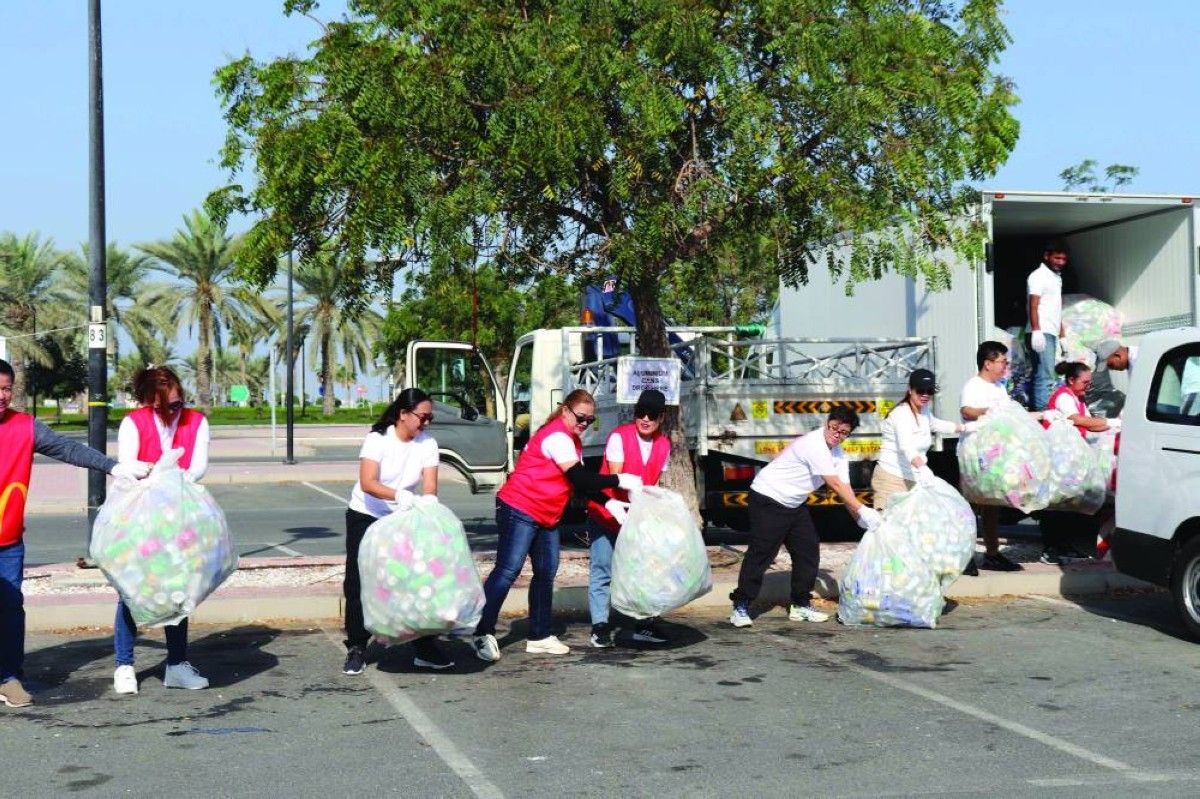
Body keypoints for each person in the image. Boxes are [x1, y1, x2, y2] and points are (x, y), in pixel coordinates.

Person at [0, 359, 148, 708]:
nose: (2, 395)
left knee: (9, 608)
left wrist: (114, 467)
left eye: (6, 388)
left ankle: (9, 678)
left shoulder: (25, 427)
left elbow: (69, 449)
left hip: (8, 544)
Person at [472, 389, 642, 662]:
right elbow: (580, 478)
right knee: (508, 569)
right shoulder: (557, 436)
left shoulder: (572, 441)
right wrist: (618, 480)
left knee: (546, 571)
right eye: (581, 417)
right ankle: (481, 631)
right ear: (565, 410)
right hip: (519, 507)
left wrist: (608, 502)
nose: (584, 424)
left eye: (590, 421)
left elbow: (580, 483)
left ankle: (539, 636)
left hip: (546, 515)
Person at [729, 407, 881, 628]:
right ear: (827, 422)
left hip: (794, 503)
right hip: (768, 497)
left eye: (844, 432)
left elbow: (846, 489)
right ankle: (741, 605)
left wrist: (860, 518)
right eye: (834, 427)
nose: (836, 434)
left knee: (808, 550)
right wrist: (863, 509)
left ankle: (800, 604)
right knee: (763, 551)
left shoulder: (839, 454)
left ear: (849, 435)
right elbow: (835, 484)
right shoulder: (814, 444)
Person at [112, 366, 212, 695]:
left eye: (175, 404)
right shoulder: (133, 423)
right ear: (146, 400)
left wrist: (164, 475)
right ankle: (124, 665)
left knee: (177, 591)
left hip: (178, 517)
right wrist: (153, 473)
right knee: (131, 590)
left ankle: (177, 665)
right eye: (160, 405)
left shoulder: (196, 422)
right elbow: (127, 467)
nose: (170, 412)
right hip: (138, 519)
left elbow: (196, 467)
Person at [341, 388, 447, 676]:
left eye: (430, 418)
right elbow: (368, 482)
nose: (426, 423)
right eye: (422, 417)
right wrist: (400, 495)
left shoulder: (427, 444)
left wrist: (426, 503)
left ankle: (424, 647)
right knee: (358, 581)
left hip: (403, 517)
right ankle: (357, 647)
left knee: (413, 579)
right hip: (367, 513)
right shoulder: (378, 439)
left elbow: (429, 487)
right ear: (403, 414)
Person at [584, 389, 671, 648]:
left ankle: (643, 625)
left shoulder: (664, 445)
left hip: (637, 517)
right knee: (603, 569)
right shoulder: (618, 437)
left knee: (644, 571)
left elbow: (654, 482)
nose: (645, 419)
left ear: (662, 418)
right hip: (608, 512)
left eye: (652, 415)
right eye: (640, 413)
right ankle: (600, 626)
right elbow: (616, 476)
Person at [1037, 361, 1118, 565]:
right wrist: (1109, 422)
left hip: (1071, 458)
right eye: (1085, 382)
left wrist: (1115, 425)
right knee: (1055, 505)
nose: (1088, 386)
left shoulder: (1078, 399)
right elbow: (1078, 420)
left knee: (1069, 503)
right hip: (1058, 457)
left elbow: (1091, 426)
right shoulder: (1064, 397)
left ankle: (1065, 546)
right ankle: (1050, 549)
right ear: (1071, 380)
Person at [959, 341, 1023, 572]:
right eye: (1002, 362)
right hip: (976, 453)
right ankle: (963, 556)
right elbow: (966, 411)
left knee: (992, 506)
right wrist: (989, 411)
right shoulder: (973, 386)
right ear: (988, 363)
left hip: (997, 454)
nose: (1005, 366)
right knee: (971, 506)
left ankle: (992, 554)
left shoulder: (999, 387)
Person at [872, 368, 974, 511]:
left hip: (914, 479)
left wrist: (966, 428)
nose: (925, 395)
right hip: (892, 478)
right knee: (888, 528)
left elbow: (936, 424)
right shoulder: (901, 414)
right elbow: (906, 447)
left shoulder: (924, 411)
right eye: (920, 390)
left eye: (930, 391)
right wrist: (922, 467)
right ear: (910, 390)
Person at [1027, 239, 1069, 410]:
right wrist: (1037, 330)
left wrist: (1062, 335)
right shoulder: (1038, 276)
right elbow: (1033, 304)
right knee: (1044, 376)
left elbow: (1055, 309)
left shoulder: (1056, 278)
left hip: (1051, 331)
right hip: (1041, 331)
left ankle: (1043, 411)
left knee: (1047, 375)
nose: (1060, 262)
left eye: (1063, 259)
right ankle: (1043, 415)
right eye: (1057, 258)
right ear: (1046, 256)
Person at [1086, 339, 1138, 416]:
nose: (1111, 369)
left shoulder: (1138, 361)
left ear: (1118, 355)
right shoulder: (1132, 360)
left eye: (1110, 365)